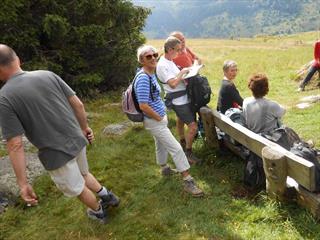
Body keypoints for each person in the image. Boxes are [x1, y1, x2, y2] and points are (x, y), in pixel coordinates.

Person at [0, 44, 119, 224]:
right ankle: (107, 195)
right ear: (17, 60)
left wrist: (23, 184)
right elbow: (78, 104)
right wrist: (84, 128)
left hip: (55, 152)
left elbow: (15, 144)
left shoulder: (4, 97)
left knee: (77, 187)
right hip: (76, 138)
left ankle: (97, 211)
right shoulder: (47, 75)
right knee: (84, 173)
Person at [134, 44, 204, 197]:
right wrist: (158, 117)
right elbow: (143, 105)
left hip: (158, 119)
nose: (153, 58)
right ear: (141, 61)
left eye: (154, 55)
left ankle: (164, 168)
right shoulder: (143, 79)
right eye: (148, 57)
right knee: (177, 149)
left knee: (160, 144)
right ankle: (188, 180)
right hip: (154, 121)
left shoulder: (150, 73)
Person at [156, 36, 200, 164]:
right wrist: (183, 73)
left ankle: (182, 141)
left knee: (181, 120)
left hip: (182, 97)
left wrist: (187, 72)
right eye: (178, 50)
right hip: (178, 100)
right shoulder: (162, 65)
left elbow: (175, 77)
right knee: (193, 127)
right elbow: (173, 84)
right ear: (170, 49)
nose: (180, 52)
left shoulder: (169, 61)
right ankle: (188, 153)